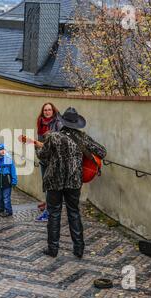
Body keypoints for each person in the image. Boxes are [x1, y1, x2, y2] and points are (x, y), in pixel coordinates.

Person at [36, 107, 107, 259]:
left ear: (62, 122)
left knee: (54, 213)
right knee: (73, 212)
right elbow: (102, 151)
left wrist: (37, 148)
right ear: (76, 124)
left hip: (55, 181)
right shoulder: (82, 137)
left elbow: (42, 156)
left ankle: (53, 249)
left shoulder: (53, 137)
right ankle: (79, 249)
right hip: (74, 181)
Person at [35, 102, 63, 222]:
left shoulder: (58, 124)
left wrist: (42, 146)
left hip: (53, 161)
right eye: (45, 110)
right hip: (43, 160)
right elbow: (40, 142)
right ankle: (48, 206)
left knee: (51, 187)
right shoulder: (41, 123)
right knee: (47, 186)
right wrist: (37, 148)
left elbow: (59, 144)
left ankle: (49, 213)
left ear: (53, 111)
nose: (47, 112)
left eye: (49, 110)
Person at [0, 144, 18, 217]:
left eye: (3, 149)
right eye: (0, 149)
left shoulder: (9, 159)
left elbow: (13, 170)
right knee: (0, 196)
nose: (2, 151)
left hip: (7, 179)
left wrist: (14, 180)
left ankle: (8, 210)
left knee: (6, 197)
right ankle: (1, 207)